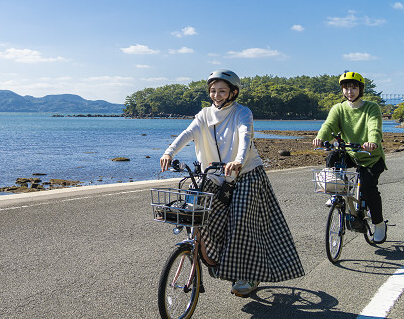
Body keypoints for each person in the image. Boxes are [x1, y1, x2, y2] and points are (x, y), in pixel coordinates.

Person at [160, 69, 304, 297]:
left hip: (245, 173)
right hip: (214, 174)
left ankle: (247, 275)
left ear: (233, 93)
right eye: (213, 91)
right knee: (195, 209)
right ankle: (215, 258)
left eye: (222, 91)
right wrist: (169, 152)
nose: (216, 95)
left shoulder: (242, 112)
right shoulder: (204, 115)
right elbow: (188, 133)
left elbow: (245, 136)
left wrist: (237, 161)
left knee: (241, 222)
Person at [312, 71, 387, 243]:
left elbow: (374, 127)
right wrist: (320, 138)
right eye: (346, 88)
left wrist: (373, 141)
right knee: (333, 156)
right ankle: (335, 191)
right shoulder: (339, 108)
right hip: (351, 153)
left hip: (371, 157)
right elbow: (329, 125)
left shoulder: (371, 107)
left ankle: (379, 224)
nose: (349, 92)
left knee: (369, 189)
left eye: (354, 88)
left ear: (360, 89)